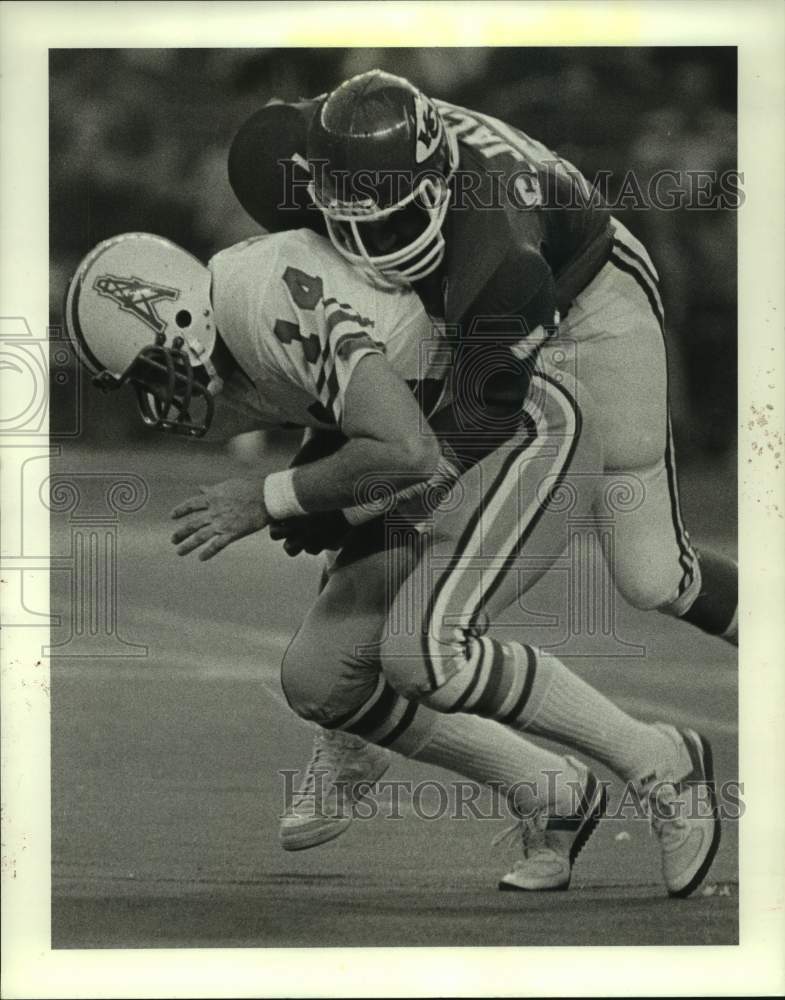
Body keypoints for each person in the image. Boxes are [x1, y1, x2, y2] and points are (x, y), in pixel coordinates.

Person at [64, 227, 720, 896]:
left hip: (516, 425)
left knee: (424, 652)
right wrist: (320, 500)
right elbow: (361, 413)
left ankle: (658, 760)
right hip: (435, 451)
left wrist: (273, 498)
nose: (154, 391)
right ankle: (548, 790)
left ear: (176, 312)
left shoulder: (264, 303)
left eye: (148, 367)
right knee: (321, 680)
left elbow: (403, 447)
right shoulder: (235, 326)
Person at [226, 70, 738, 854]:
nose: (371, 248)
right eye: (350, 222)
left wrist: (340, 492)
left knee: (649, 574)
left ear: (436, 184)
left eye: (394, 219)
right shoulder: (295, 153)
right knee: (375, 528)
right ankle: (357, 724)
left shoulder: (499, 250)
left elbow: (460, 431)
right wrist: (331, 456)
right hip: (445, 315)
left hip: (584, 302)